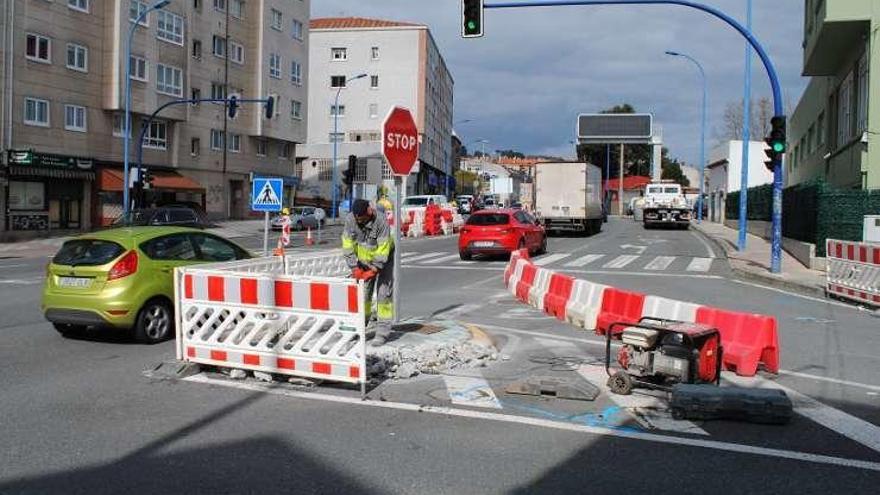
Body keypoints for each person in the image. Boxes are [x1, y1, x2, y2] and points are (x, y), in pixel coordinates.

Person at [342, 199, 395, 346]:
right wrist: (354, 268)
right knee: (363, 296)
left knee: (384, 294)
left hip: (384, 260)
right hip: (363, 262)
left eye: (363, 218)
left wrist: (375, 269)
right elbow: (347, 245)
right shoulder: (350, 220)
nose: (360, 221)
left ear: (369, 212)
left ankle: (382, 333)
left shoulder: (381, 221)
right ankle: (358, 329)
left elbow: (383, 248)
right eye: (358, 219)